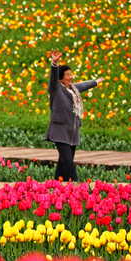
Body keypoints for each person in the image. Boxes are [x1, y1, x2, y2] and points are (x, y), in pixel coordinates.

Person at [45, 49, 103, 182]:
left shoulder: (72, 89)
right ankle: (76, 186)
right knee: (68, 163)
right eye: (68, 75)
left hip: (71, 132)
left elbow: (82, 85)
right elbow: (53, 77)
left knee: (64, 161)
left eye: (71, 74)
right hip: (60, 132)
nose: (71, 77)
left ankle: (55, 184)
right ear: (61, 77)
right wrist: (55, 63)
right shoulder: (56, 89)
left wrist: (95, 82)